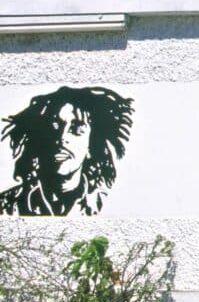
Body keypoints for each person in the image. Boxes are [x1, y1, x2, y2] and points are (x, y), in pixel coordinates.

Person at [0, 86, 134, 216]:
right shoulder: (7, 206)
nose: (62, 138)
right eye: (54, 127)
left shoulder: (105, 205)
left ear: (91, 147)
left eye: (77, 130)